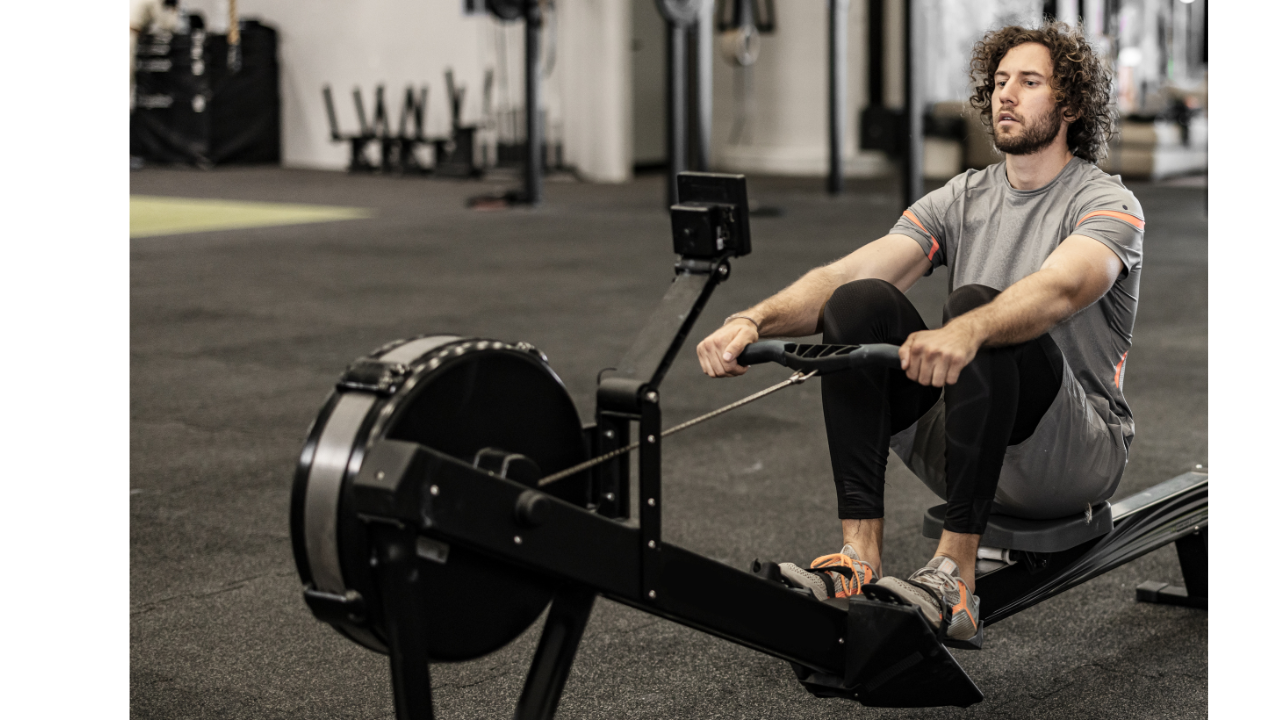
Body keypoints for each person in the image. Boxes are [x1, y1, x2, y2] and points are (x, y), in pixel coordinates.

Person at [695, 21, 1143, 641]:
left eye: (1029, 82)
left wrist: (971, 327)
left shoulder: (1107, 202)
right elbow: (850, 271)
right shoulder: (962, 196)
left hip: (1072, 457)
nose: (1005, 94)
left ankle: (956, 577)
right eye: (1000, 81)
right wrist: (753, 319)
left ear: (1069, 105)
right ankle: (858, 556)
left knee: (977, 308)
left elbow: (1062, 288)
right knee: (858, 305)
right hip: (963, 440)